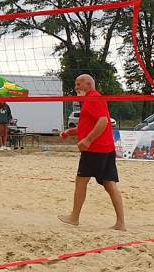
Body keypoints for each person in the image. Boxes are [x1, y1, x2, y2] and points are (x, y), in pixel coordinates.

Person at [58, 74, 126, 231]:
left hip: (95, 149)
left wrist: (87, 140)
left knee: (81, 181)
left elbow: (103, 121)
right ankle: (120, 223)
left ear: (88, 84)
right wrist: (70, 132)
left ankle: (74, 218)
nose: (75, 87)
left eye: (78, 84)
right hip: (107, 148)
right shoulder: (91, 99)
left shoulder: (93, 98)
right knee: (110, 184)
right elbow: (91, 125)